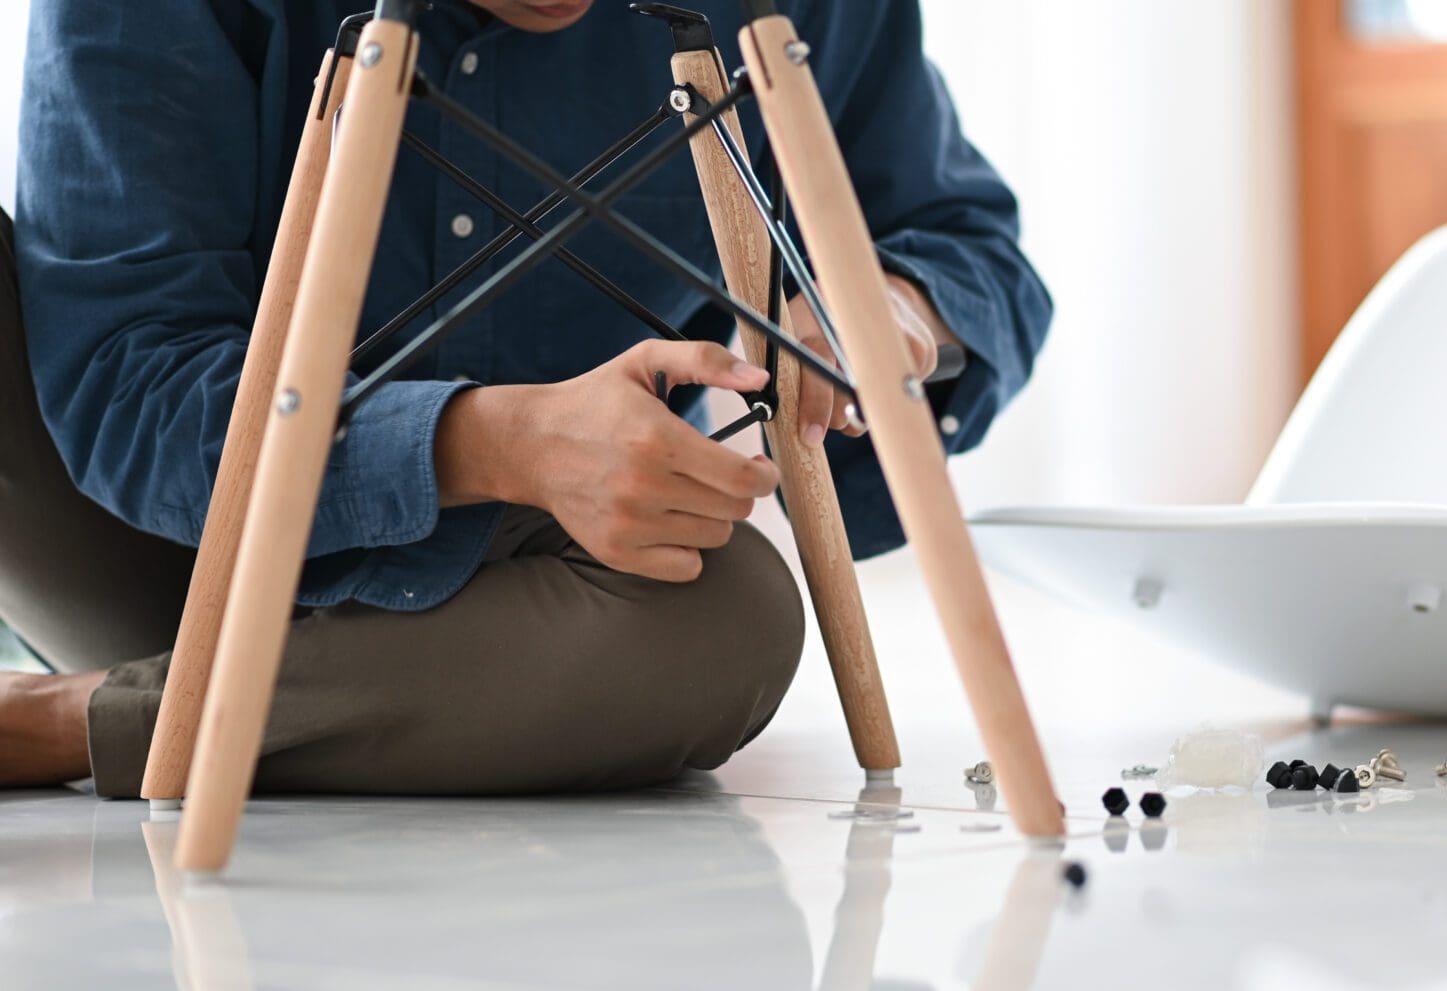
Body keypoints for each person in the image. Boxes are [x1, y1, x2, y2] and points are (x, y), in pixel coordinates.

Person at [0, 0, 1050, 794]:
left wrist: (891, 310)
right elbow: (129, 384)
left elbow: (972, 249)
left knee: (734, 619)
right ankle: (247, 700)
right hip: (153, 537)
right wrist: (489, 439)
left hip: (528, 584)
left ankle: (61, 719)